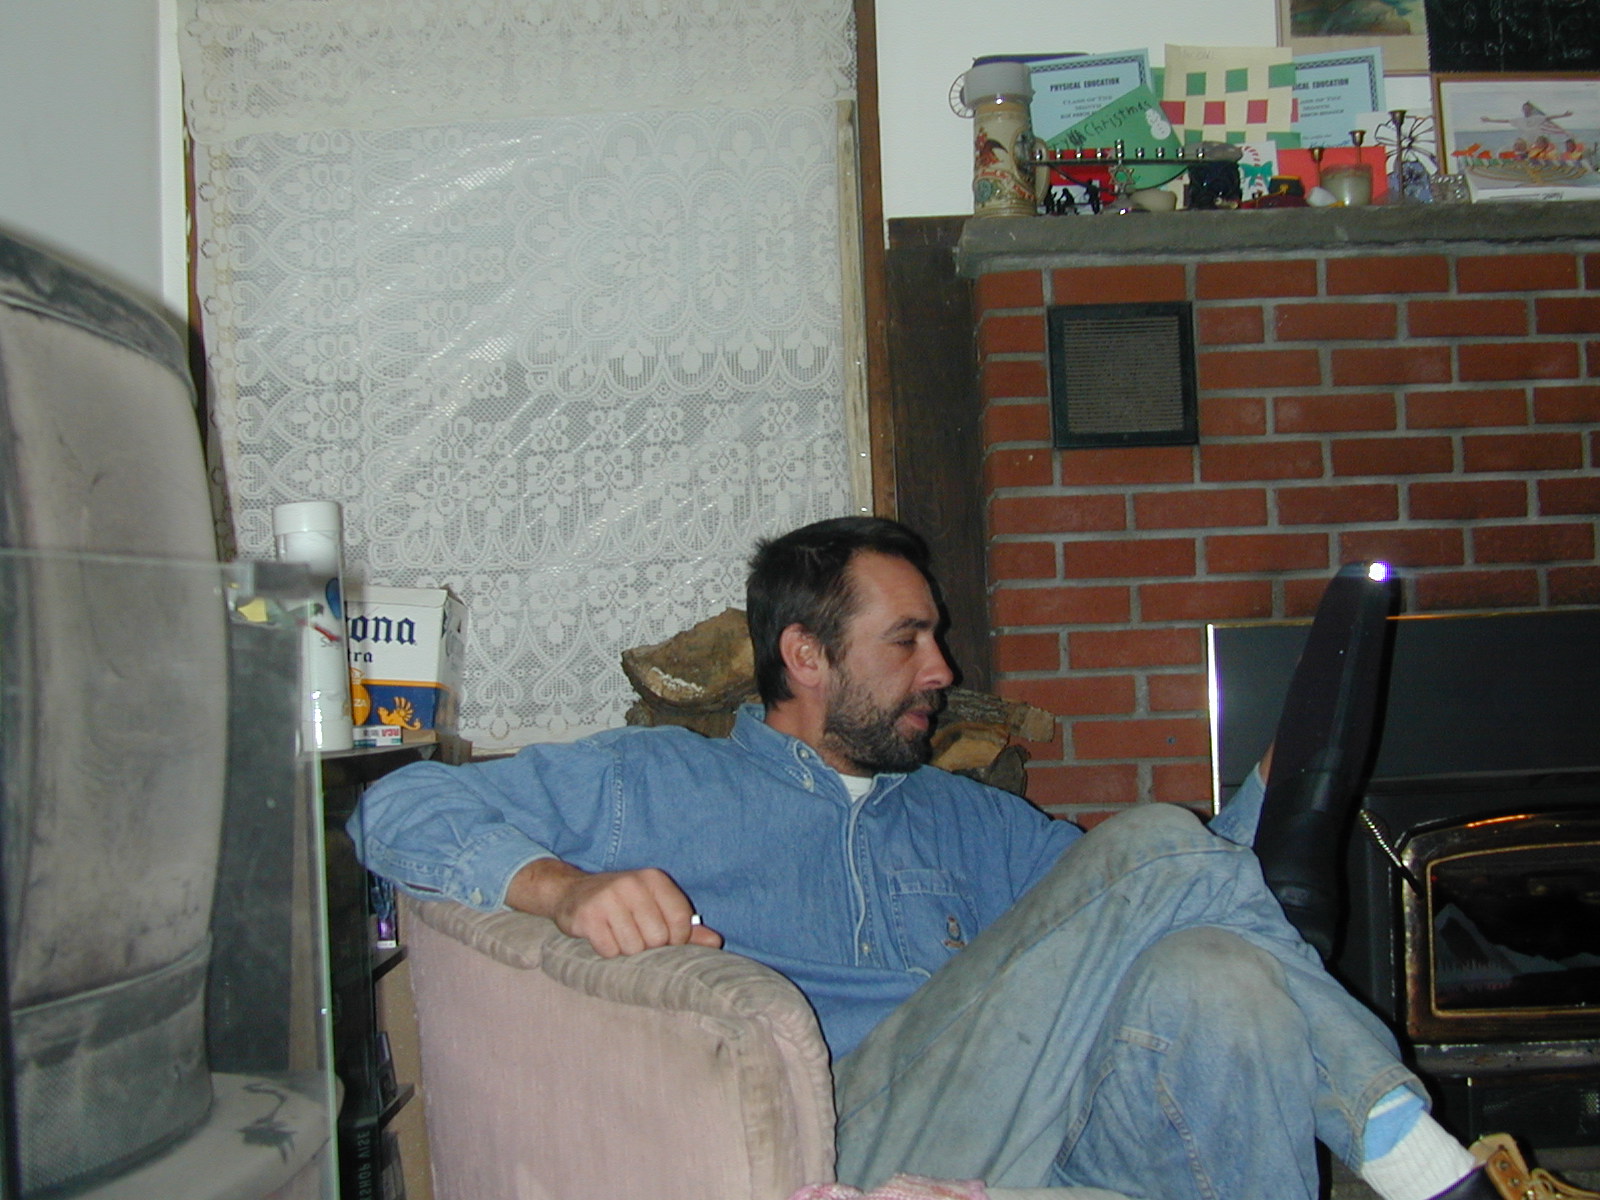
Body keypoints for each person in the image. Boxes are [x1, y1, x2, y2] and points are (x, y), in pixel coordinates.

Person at [351, 516, 1590, 1200]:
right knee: (1156, 847)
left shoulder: (960, 817)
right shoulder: (656, 783)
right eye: (907, 641)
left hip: (1021, 1133)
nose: (942, 670)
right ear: (804, 657)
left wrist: (1280, 782)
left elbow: (1163, 899)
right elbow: (393, 807)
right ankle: (1425, 1166)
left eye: (935, 638)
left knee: (1216, 970)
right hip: (846, 1137)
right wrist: (565, 888)